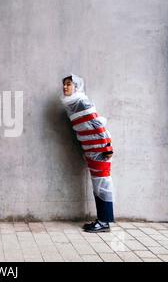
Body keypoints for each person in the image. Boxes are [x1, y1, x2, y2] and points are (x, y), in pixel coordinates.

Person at [60, 74, 114, 233]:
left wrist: (108, 147)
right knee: (98, 184)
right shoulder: (72, 103)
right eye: (64, 84)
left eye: (69, 84)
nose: (65, 87)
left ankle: (104, 222)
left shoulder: (82, 102)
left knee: (102, 184)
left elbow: (97, 124)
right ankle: (102, 220)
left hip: (99, 149)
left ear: (76, 86)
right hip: (90, 149)